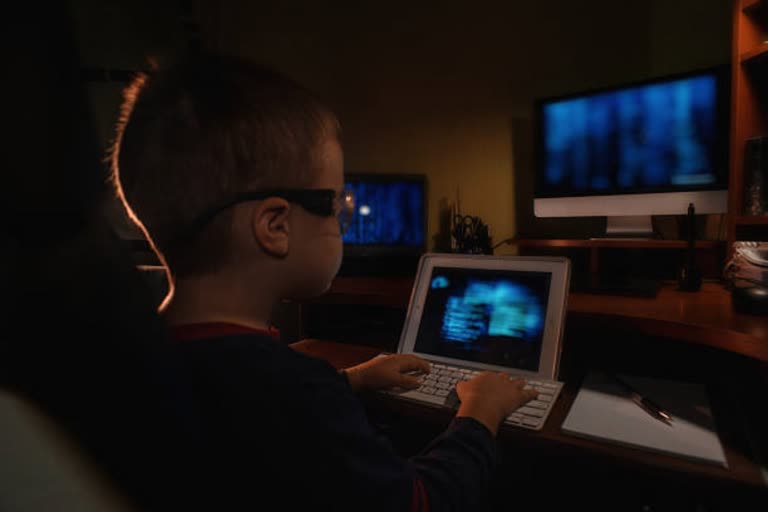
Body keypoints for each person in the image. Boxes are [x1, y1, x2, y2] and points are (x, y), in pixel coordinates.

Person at [111, 53, 538, 511]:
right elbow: (421, 503)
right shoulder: (296, 392)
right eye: (336, 205)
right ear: (274, 226)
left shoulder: (133, 356)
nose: (345, 220)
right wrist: (481, 412)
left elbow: (238, 404)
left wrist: (351, 379)